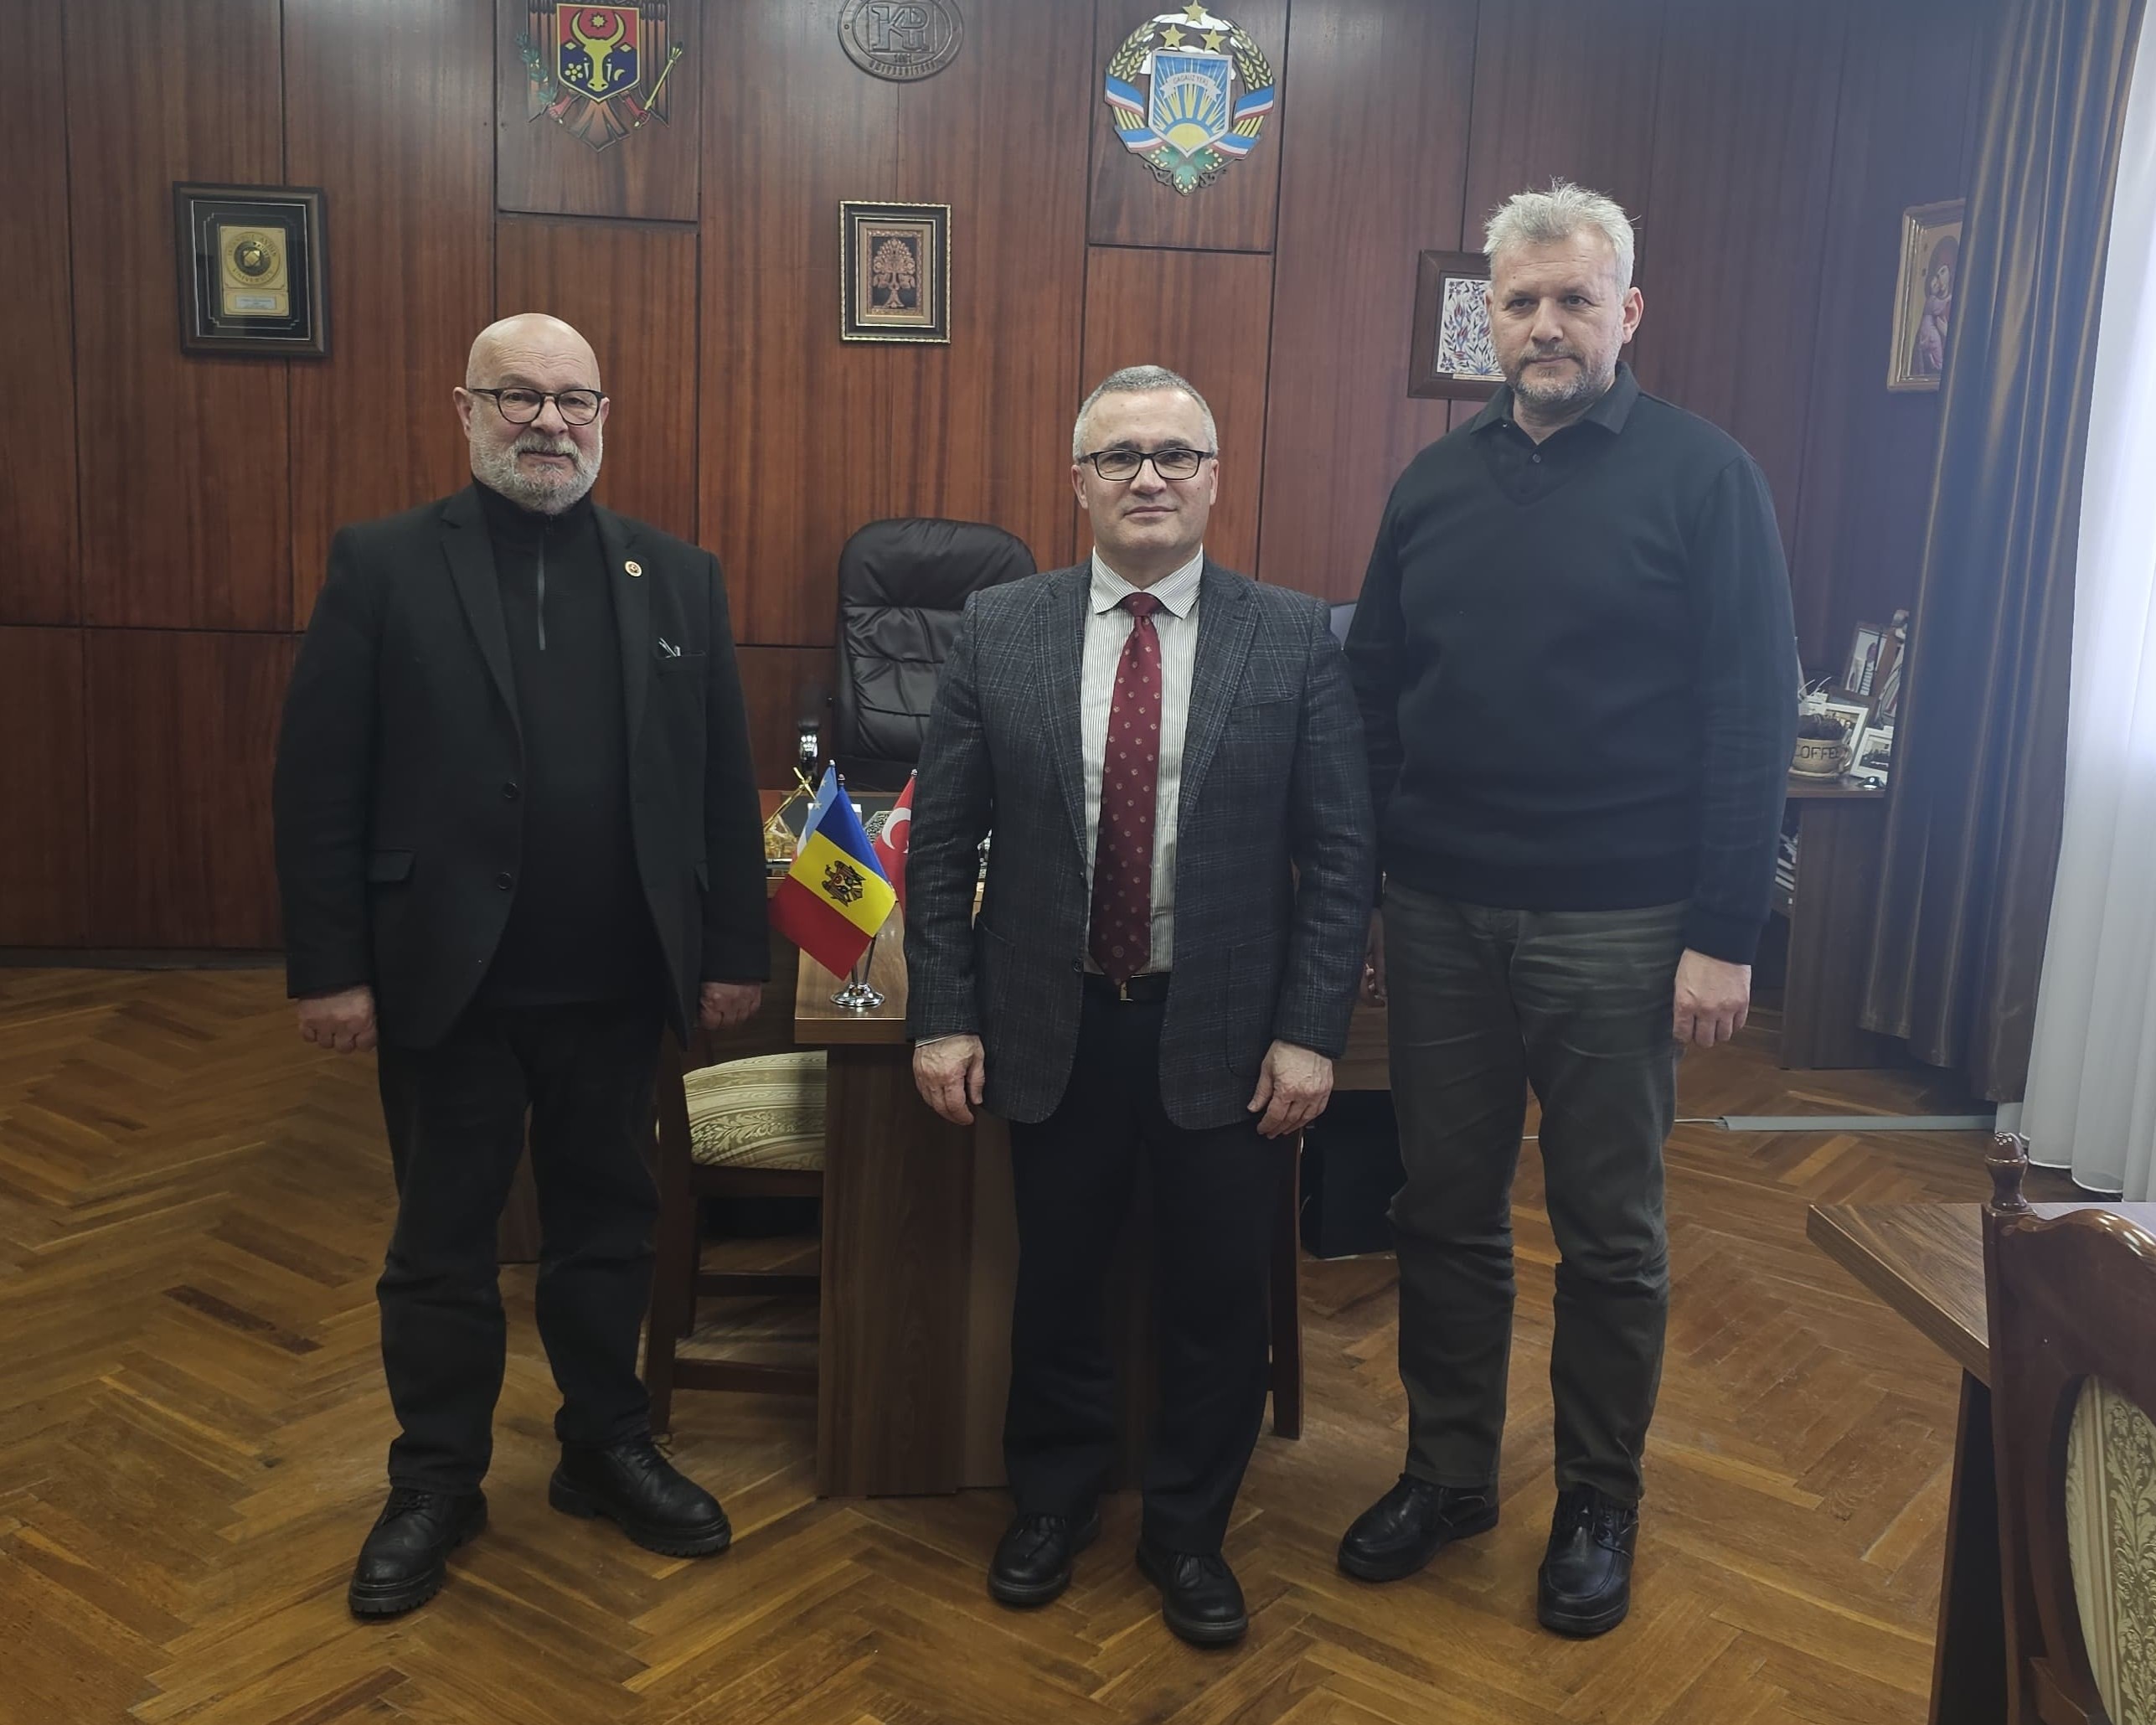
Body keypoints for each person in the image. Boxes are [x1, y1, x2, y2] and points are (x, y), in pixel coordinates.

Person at [1338, 183, 1799, 1637]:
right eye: (1520, 301)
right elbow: (1372, 697)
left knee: (1608, 1235)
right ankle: (1447, 1473)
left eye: (1574, 300)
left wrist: (1725, 931)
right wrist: (1373, 888)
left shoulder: (1706, 477)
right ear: (1487, 315)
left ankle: (1599, 1496)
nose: (1545, 325)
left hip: (1622, 923)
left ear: (1627, 311)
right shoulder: (1430, 483)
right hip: (1440, 913)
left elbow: (1752, 713)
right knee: (1441, 1212)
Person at [272, 312, 770, 1619]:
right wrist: (330, 968)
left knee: (610, 1229)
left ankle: (605, 1446)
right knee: (442, 1245)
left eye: (574, 399)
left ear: (604, 416)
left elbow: (721, 784)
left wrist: (733, 952)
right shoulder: (383, 563)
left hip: (616, 979)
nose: (549, 421)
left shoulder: (678, 577)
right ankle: (435, 1480)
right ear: (465, 409)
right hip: (447, 980)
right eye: (518, 396)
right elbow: (318, 782)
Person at [905, 365, 1373, 1647]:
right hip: (1051, 1022)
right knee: (1057, 1281)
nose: (1147, 477)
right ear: (1079, 483)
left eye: (1174, 454)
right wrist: (942, 1014)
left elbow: (1340, 857)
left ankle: (1186, 1532)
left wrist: (1311, 1032)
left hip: (1226, 1034)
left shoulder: (1292, 637)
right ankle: (1050, 1504)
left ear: (1214, 478)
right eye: (1119, 457)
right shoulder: (999, 627)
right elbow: (939, 848)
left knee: (1215, 1299)